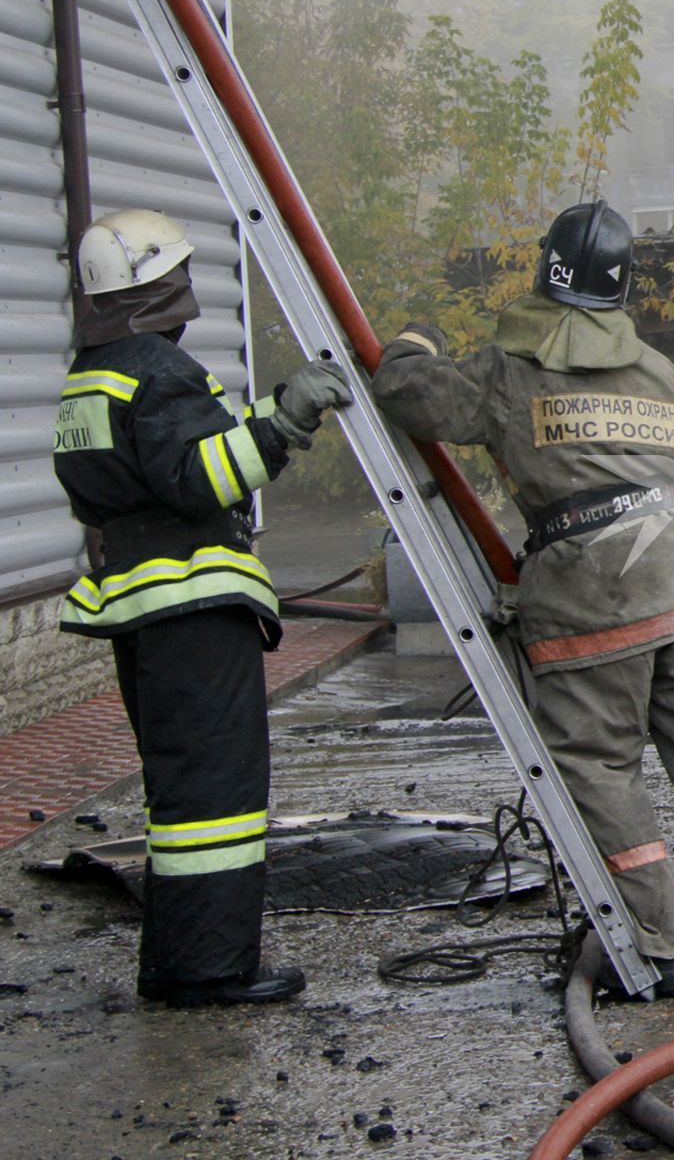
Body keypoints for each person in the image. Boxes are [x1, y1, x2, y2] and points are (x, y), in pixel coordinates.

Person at [371, 200, 674, 997]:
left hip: (592, 600)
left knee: (598, 770)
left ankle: (656, 951)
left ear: (546, 274)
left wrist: (412, 343)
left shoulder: (512, 370)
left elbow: (412, 395)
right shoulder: (660, 369)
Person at [53, 208, 352, 1007]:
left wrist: (264, 421)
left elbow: (162, 467)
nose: (189, 288)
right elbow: (200, 477)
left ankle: (177, 962)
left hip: (142, 608)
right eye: (177, 275)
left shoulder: (92, 375)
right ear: (156, 286)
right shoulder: (158, 368)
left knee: (181, 791)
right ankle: (211, 969)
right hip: (191, 605)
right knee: (215, 796)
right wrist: (286, 420)